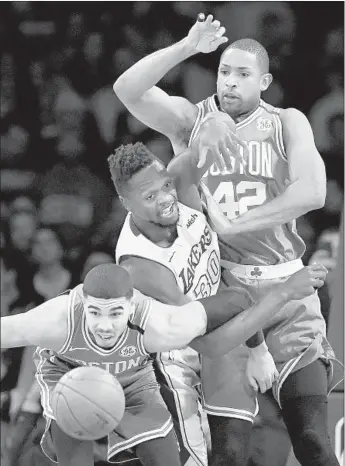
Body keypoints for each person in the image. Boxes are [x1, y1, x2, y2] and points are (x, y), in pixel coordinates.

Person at [113, 13, 343, 466]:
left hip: (287, 295)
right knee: (230, 454)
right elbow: (127, 90)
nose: (231, 82)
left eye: (243, 74)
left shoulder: (287, 123)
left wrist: (238, 224)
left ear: (265, 81)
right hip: (225, 300)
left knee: (314, 441)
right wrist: (185, 46)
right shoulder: (190, 122)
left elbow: (313, 193)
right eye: (223, 72)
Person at [1, 262, 327, 466]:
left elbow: (238, 299)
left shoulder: (163, 324)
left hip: (132, 377)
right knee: (74, 452)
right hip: (70, 375)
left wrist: (259, 352)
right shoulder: (54, 321)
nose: (103, 325)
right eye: (95, 312)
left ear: (130, 307)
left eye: (114, 313)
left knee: (163, 459)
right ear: (82, 304)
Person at [111, 140, 276, 466]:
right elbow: (204, 329)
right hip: (173, 360)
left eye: (165, 186)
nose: (165, 199)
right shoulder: (140, 265)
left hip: (224, 326)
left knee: (233, 455)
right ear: (124, 203)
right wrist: (259, 349)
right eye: (149, 197)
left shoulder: (183, 189)